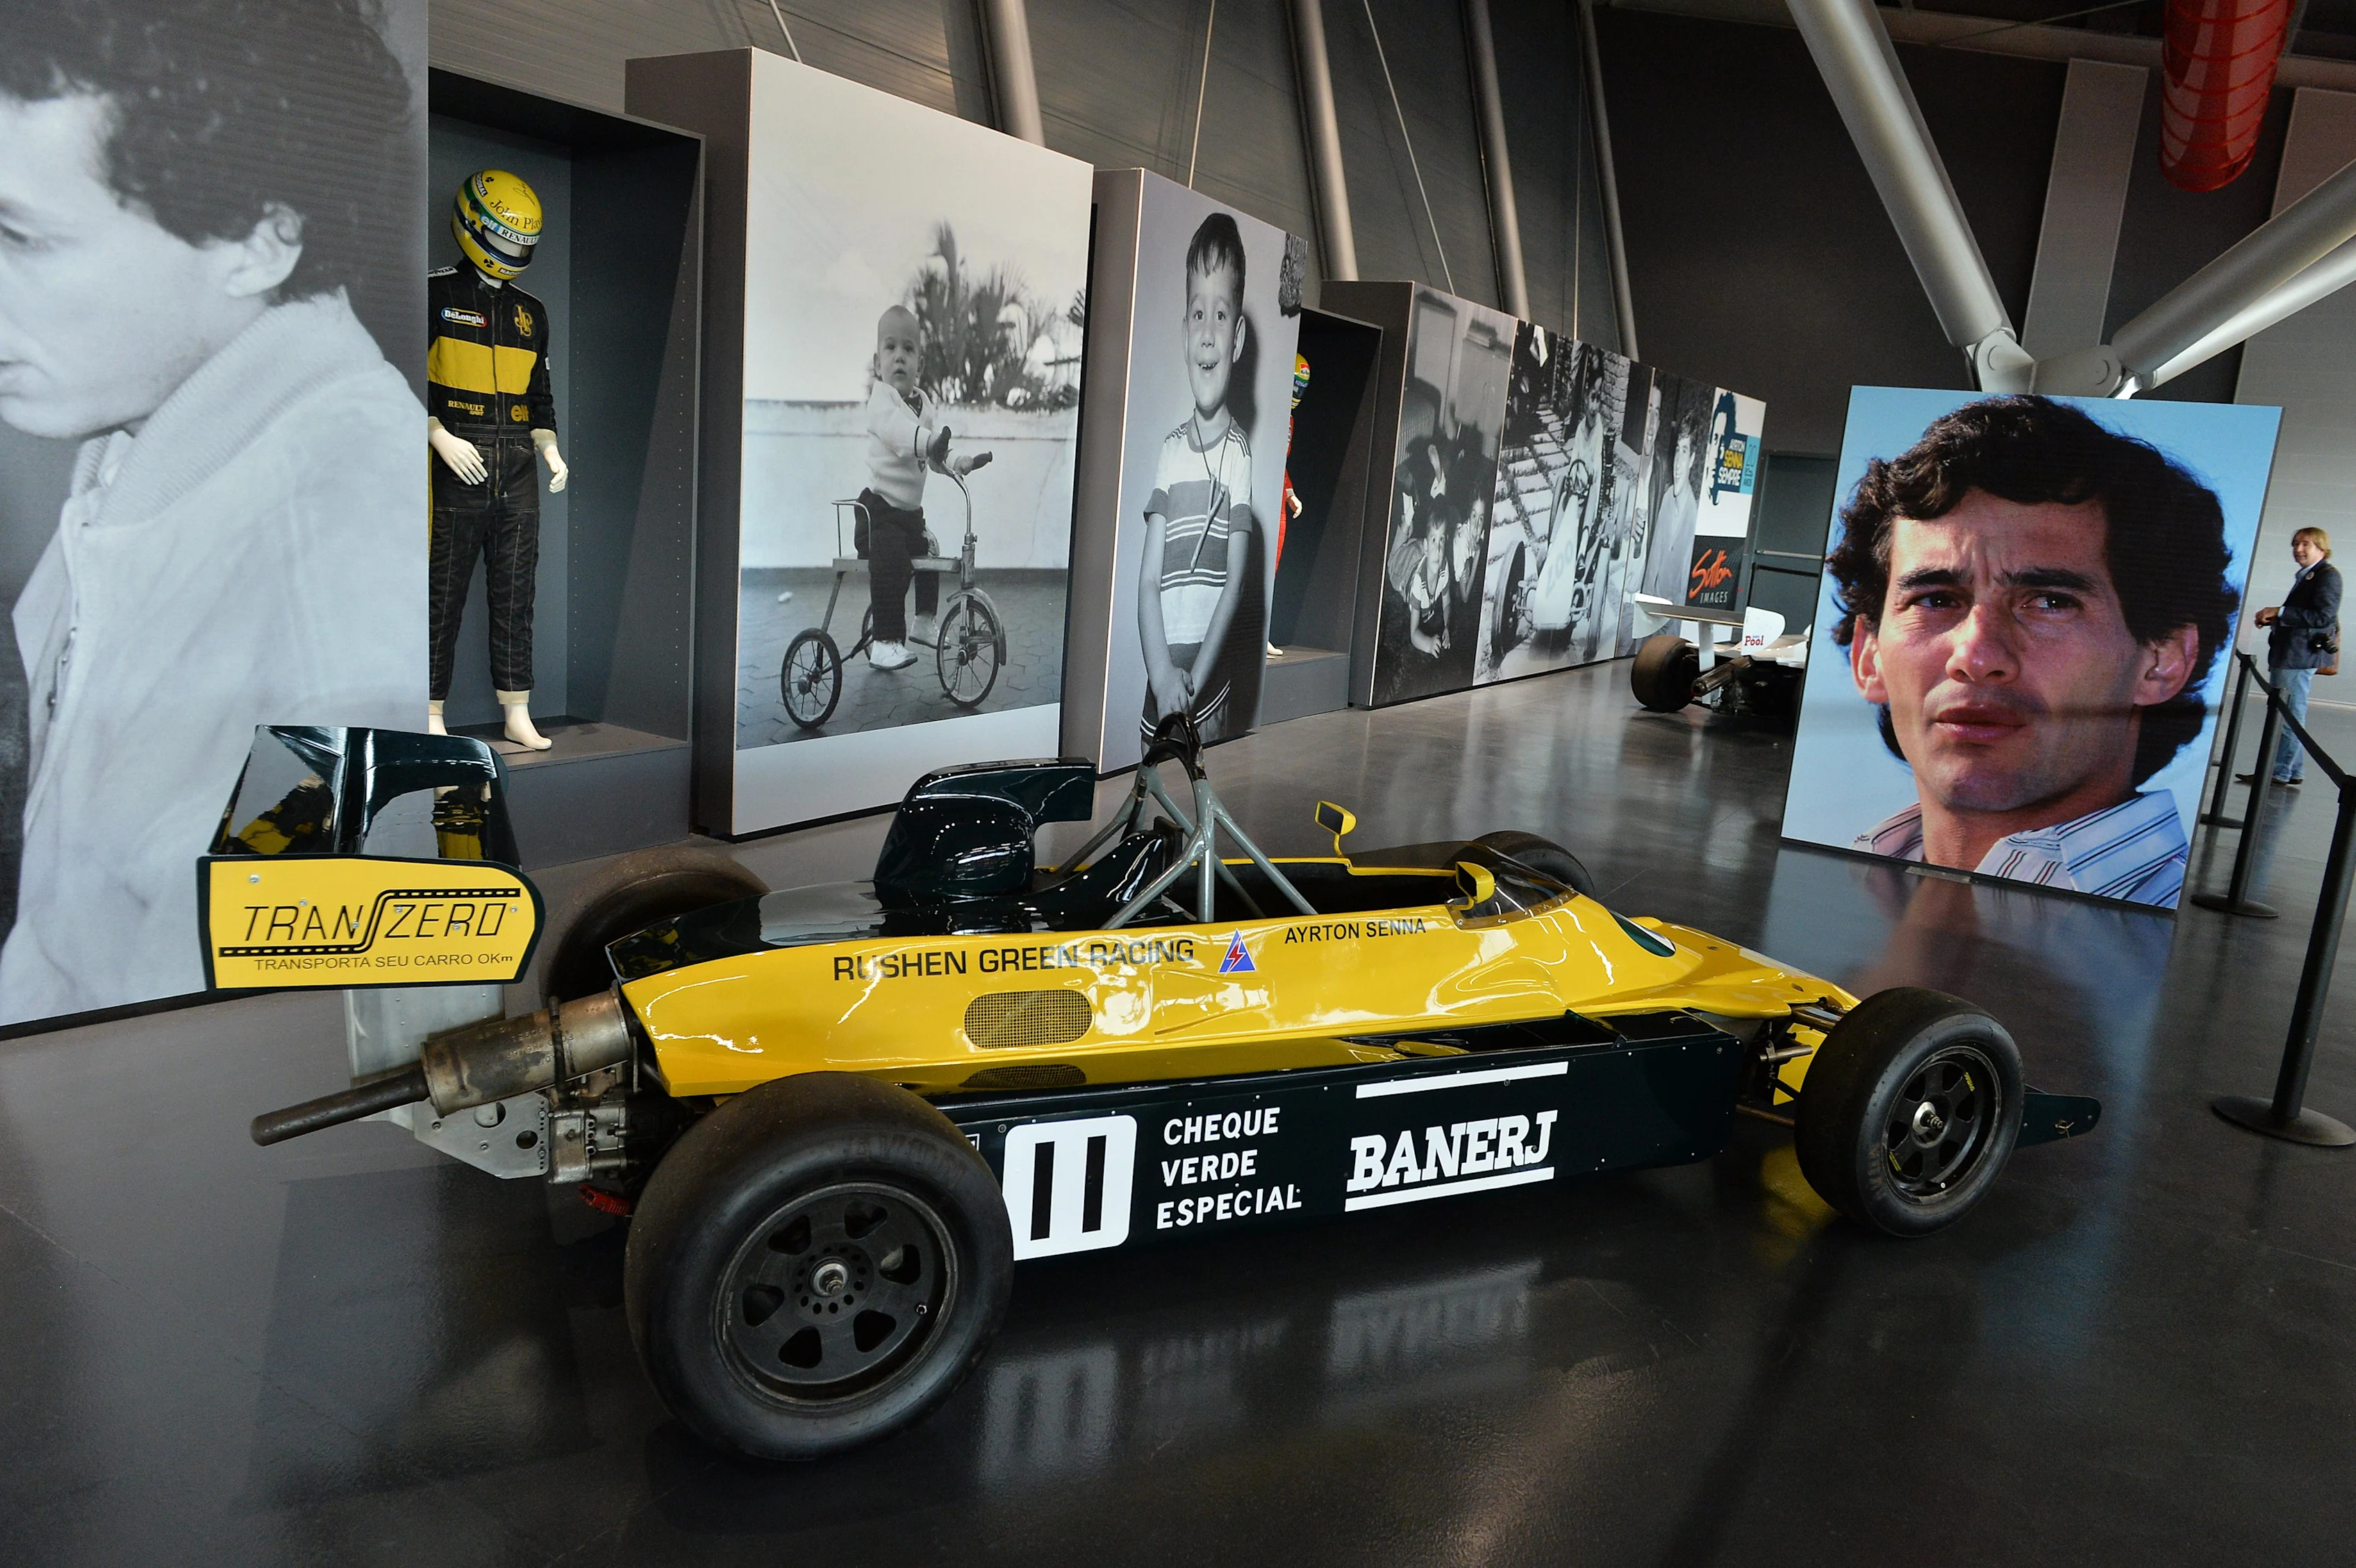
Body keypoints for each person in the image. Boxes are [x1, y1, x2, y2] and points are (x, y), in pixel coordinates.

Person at [0, 0, 425, 1021]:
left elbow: (295, 1063)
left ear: (256, 240)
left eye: (23, 236)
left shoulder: (346, 569)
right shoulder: (135, 438)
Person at [1827, 396, 2240, 908]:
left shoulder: (2187, 935)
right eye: (1935, 600)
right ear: (1869, 659)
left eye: (2049, 602)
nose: (1975, 657)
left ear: (2163, 660)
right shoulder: (1845, 880)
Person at [1140, 214, 1254, 744]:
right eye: (1198, 313)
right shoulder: (1168, 453)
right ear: (1185, 332)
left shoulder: (1238, 457)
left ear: (1237, 338)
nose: (1208, 333)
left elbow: (1233, 586)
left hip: (1207, 697)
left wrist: (1192, 685)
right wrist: (1163, 677)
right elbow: (1148, 581)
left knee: (1199, 820)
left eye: (1222, 315)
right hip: (1160, 693)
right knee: (1148, 814)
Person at [858, 303, 977, 673]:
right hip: (879, 513)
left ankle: (924, 620)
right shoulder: (882, 401)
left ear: (919, 366)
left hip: (910, 516)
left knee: (931, 551)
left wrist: (959, 461)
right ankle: (885, 641)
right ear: (879, 364)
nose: (899, 358)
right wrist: (930, 444)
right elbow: (900, 436)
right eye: (891, 349)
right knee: (892, 560)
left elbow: (932, 452)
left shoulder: (923, 405)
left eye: (908, 350)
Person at [2242, 526, 2341, 788]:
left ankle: (2279, 772)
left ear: (2321, 547)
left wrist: (2282, 611)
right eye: (2296, 544)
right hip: (2291, 655)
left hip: (2298, 658)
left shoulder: (2327, 576)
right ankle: (2293, 770)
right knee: (2289, 713)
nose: (2298, 549)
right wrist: (2277, 617)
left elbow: (2323, 617)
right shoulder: (2311, 575)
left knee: (2287, 715)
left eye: (2305, 544)